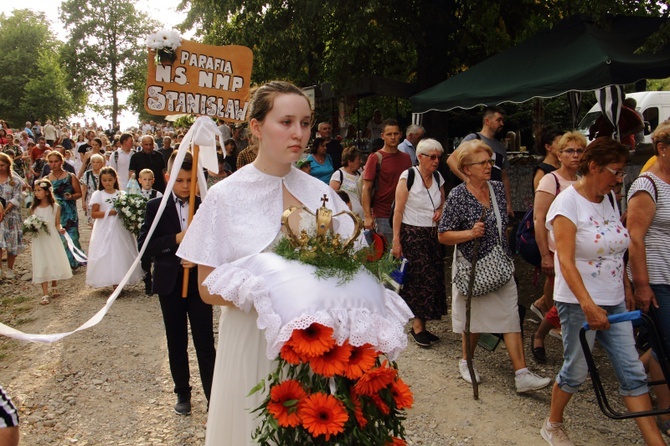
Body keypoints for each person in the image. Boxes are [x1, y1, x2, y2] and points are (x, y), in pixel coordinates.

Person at [176, 81, 411, 445]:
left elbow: (347, 265)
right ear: (256, 127)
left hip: (320, 346)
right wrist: (263, 290)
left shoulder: (321, 193)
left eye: (304, 123)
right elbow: (205, 287)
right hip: (256, 338)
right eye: (286, 122)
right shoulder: (226, 195)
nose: (298, 133)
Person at [540, 137, 664, 446]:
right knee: (576, 370)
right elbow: (565, 261)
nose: (620, 179)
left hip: (615, 300)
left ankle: (656, 443)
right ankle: (553, 423)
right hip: (578, 302)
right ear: (594, 167)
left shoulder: (608, 198)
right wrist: (588, 305)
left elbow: (614, 249)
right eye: (616, 171)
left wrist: (625, 287)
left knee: (633, 371)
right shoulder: (567, 203)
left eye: (623, 172)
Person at [438, 139, 550, 392]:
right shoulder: (457, 196)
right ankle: (466, 361)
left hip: (500, 263)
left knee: (510, 316)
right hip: (473, 266)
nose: (489, 166)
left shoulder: (498, 189)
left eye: (490, 161)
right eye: (483, 163)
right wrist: (469, 234)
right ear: (467, 168)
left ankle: (521, 374)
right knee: (474, 319)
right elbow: (443, 235)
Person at [138, 151, 216, 416]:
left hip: (198, 284)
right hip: (170, 284)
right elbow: (145, 246)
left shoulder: (204, 206)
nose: (184, 185)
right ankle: (182, 391)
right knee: (176, 340)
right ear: (169, 178)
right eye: (179, 180)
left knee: (205, 342)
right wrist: (177, 240)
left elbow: (215, 245)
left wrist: (197, 260)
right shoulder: (155, 208)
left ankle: (212, 394)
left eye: (189, 180)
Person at [627, 121, 670, 436]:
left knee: (661, 345)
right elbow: (635, 238)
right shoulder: (646, 186)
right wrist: (641, 285)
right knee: (666, 346)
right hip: (656, 279)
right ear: (662, 148)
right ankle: (667, 413)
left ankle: (634, 376)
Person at [530, 132, 586, 363]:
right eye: (569, 151)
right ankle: (542, 335)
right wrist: (545, 254)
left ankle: (561, 338)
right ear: (559, 154)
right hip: (557, 250)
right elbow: (539, 219)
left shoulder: (584, 179)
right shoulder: (550, 180)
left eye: (579, 150)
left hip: (581, 251)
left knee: (573, 298)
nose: (575, 155)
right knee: (564, 298)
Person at [391, 138, 446, 347]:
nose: (436, 161)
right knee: (418, 280)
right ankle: (417, 326)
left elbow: (442, 201)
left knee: (432, 278)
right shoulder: (409, 176)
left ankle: (424, 323)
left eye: (438, 157)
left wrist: (440, 211)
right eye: (432, 157)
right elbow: (398, 210)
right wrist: (396, 240)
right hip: (412, 234)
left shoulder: (438, 177)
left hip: (432, 235)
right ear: (420, 157)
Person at [447, 106, 514, 216]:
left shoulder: (501, 147)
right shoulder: (473, 139)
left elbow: (504, 176)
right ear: (487, 121)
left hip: (495, 197)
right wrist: (467, 180)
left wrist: (508, 203)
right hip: (475, 196)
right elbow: (451, 160)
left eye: (502, 120)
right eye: (498, 120)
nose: (502, 123)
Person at [86, 166, 143, 288]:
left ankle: (119, 280)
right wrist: (109, 213)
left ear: (115, 180)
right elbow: (94, 213)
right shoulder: (98, 194)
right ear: (101, 181)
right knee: (107, 251)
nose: (107, 183)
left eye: (110, 180)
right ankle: (110, 279)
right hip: (104, 227)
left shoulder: (121, 194)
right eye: (104, 180)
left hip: (119, 227)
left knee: (120, 251)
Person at [361, 119, 412, 243]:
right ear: (382, 136)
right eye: (389, 134)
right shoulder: (375, 158)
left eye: (395, 133)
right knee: (386, 256)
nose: (393, 137)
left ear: (401, 134)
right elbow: (366, 188)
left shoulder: (406, 158)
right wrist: (367, 216)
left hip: (405, 214)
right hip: (383, 215)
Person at [29, 179, 72, 305]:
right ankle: (45, 293)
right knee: (42, 262)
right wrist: (32, 227)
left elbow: (57, 224)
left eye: (39, 190)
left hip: (52, 237)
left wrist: (61, 229)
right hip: (40, 239)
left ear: (47, 192)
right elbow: (32, 222)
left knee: (53, 259)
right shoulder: (34, 208)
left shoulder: (55, 207)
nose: (36, 193)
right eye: (35, 191)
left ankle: (54, 284)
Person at [47, 151, 83, 269]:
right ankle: (60, 263)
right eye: (51, 162)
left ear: (61, 161)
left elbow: (79, 193)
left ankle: (74, 261)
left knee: (72, 235)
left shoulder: (70, 176)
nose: (54, 164)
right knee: (57, 237)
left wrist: (72, 196)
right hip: (54, 212)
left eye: (56, 161)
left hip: (69, 211)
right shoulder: (46, 179)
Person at [0, 153, 24, 279]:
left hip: (11, 215)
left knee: (11, 242)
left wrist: (5, 209)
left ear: (8, 164)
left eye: (2, 165)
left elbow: (17, 197)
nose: (0, 168)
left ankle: (10, 268)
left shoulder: (14, 180)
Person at [329, 146, 363, 218]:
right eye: (358, 159)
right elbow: (332, 196)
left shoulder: (360, 174)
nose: (360, 162)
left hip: (361, 217)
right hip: (347, 217)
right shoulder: (339, 175)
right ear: (350, 162)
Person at [80, 154, 104, 227]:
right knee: (92, 222)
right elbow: (84, 189)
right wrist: (83, 202)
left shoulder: (104, 173)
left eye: (98, 162)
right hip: (91, 199)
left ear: (101, 164)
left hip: (102, 199)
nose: (95, 164)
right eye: (93, 162)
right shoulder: (87, 174)